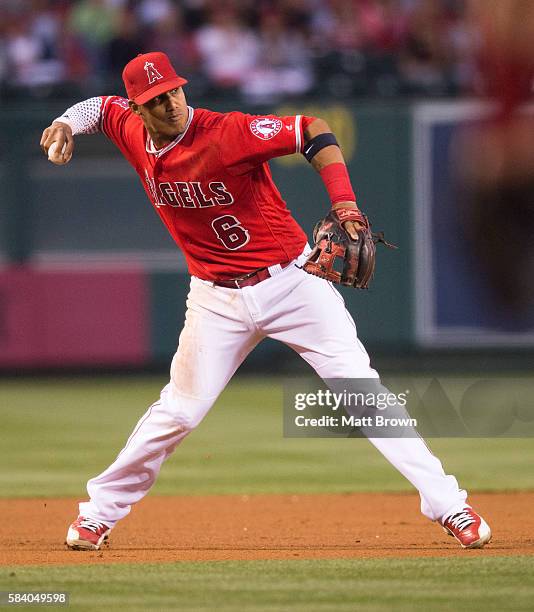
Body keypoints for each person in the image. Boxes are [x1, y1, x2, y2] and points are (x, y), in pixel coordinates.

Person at [40, 51, 491, 552]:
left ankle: (449, 504)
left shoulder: (226, 132)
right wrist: (65, 122)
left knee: (363, 392)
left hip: (292, 284)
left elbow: (312, 130)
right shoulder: (128, 127)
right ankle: (97, 515)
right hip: (215, 299)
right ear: (137, 107)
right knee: (180, 412)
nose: (170, 103)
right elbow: (98, 109)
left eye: (173, 90)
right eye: (155, 99)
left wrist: (344, 201)